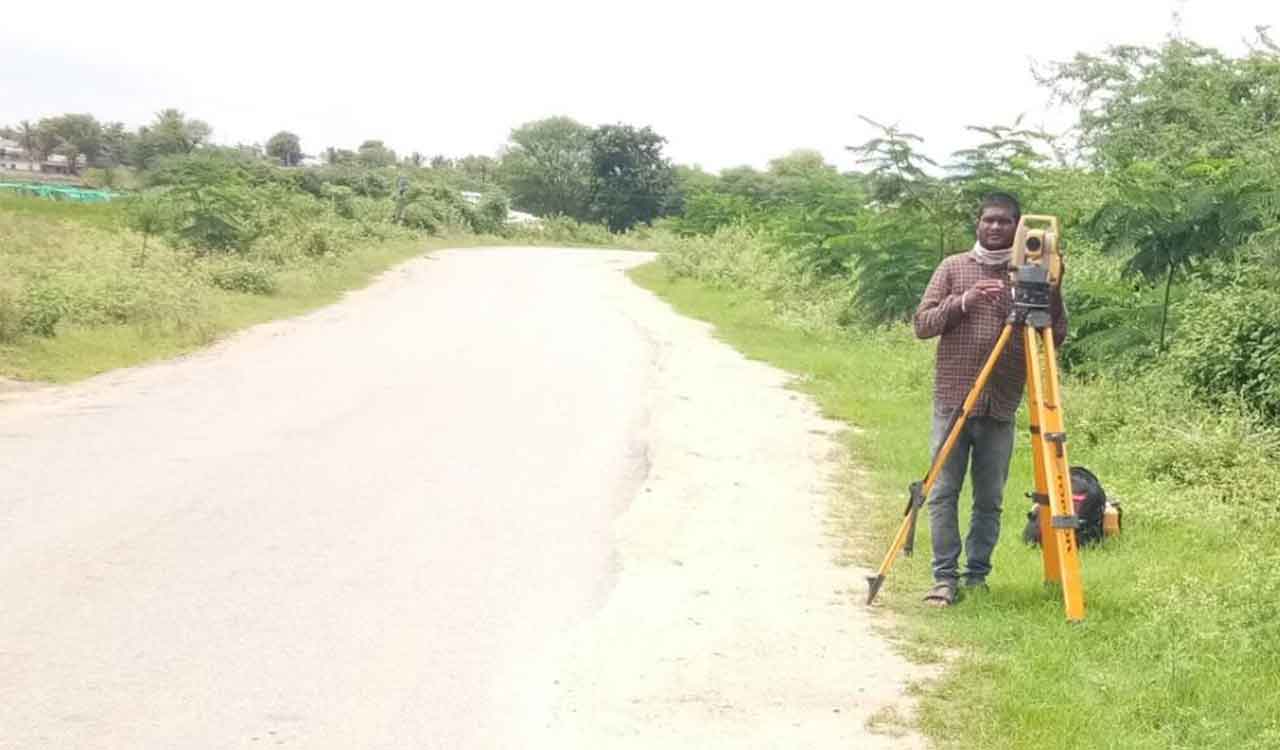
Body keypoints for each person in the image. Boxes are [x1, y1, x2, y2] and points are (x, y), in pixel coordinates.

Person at [912, 192, 1067, 607]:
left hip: (1001, 403)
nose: (996, 228)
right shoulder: (953, 267)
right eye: (989, 221)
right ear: (978, 224)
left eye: (1005, 222)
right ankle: (943, 579)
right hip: (953, 398)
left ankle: (976, 576)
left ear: (1019, 228)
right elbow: (922, 325)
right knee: (943, 492)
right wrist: (964, 301)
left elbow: (1057, 334)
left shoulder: (1032, 272)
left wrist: (1052, 284)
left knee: (989, 499)